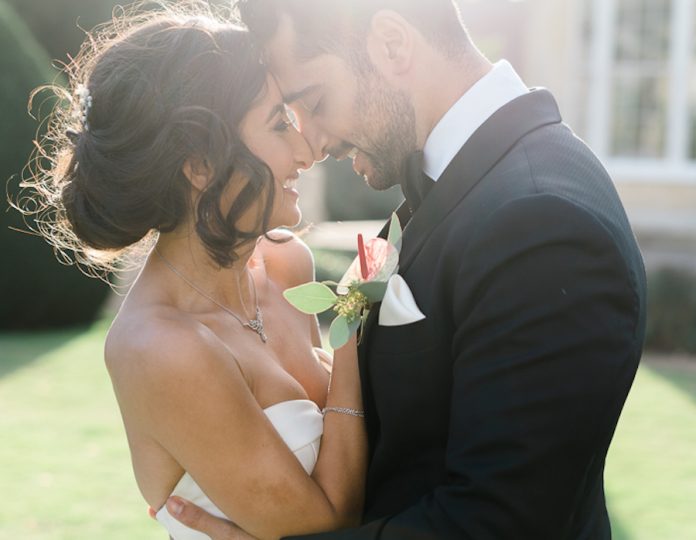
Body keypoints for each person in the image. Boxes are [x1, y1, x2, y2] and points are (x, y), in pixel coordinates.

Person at [172, 0, 648, 538]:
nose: (314, 141)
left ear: (393, 44)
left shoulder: (544, 224)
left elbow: (497, 522)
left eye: (316, 101)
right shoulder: (467, 183)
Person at [18, 3, 371, 540]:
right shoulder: (158, 347)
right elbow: (325, 522)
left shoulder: (284, 264)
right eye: (280, 124)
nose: (306, 150)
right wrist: (351, 335)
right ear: (200, 162)